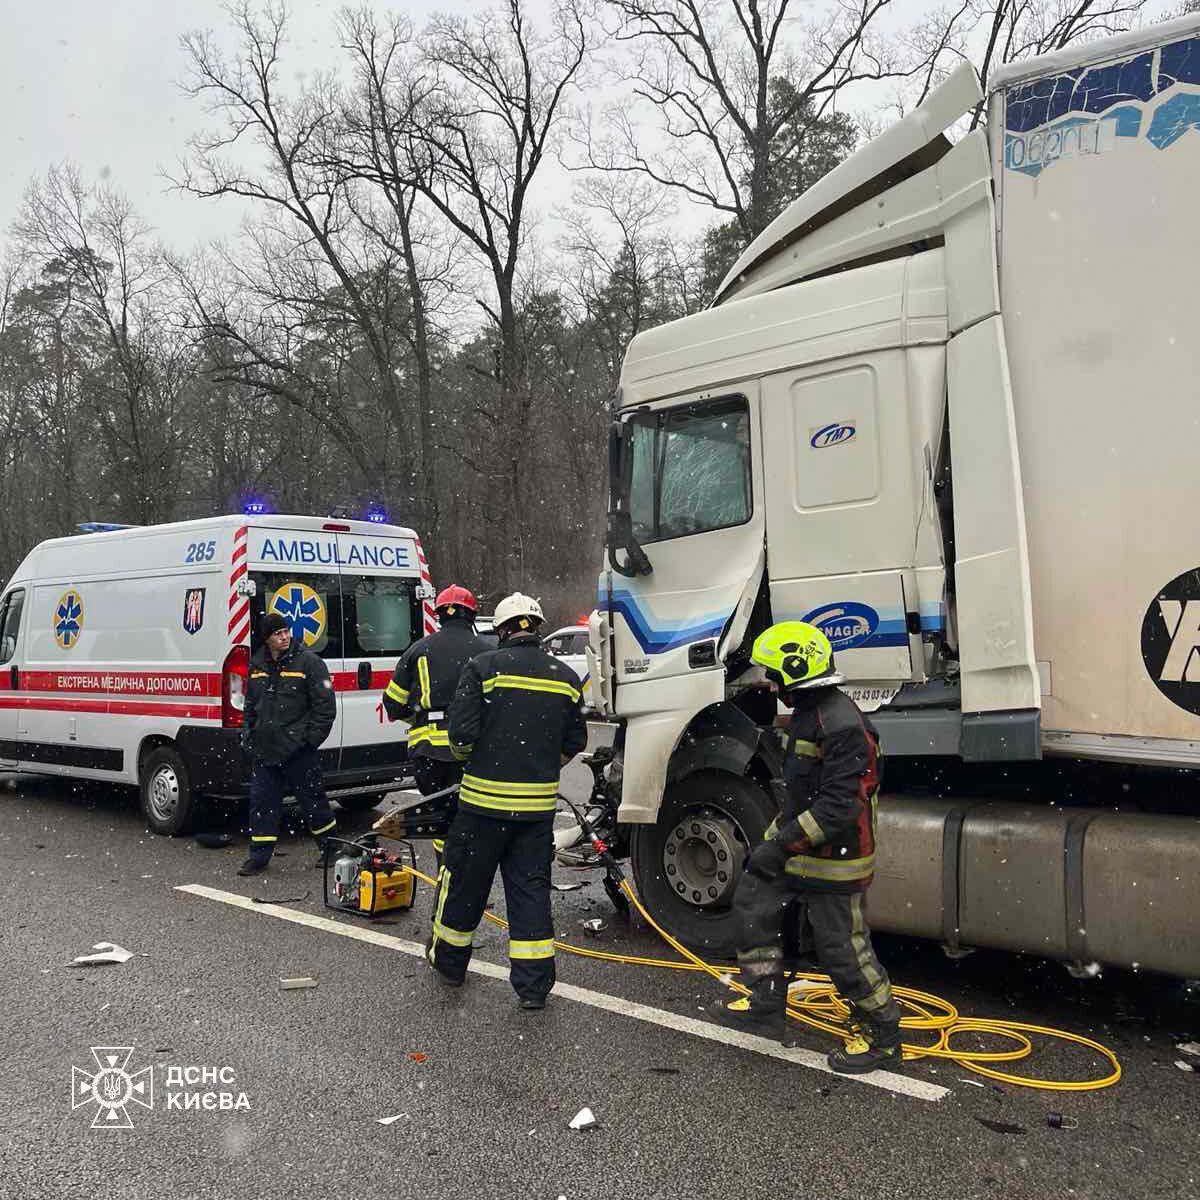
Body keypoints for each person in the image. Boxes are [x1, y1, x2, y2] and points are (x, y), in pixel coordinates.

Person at [716, 620, 903, 1073]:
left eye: (773, 674)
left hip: (835, 859)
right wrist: (770, 847)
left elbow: (838, 807)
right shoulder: (808, 715)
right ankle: (766, 1001)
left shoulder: (842, 725)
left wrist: (779, 847)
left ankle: (882, 1034)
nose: (769, 682)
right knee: (755, 910)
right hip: (799, 850)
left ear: (794, 673)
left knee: (841, 946)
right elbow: (798, 794)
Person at [427, 592, 587, 1009]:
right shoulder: (565, 676)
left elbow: (460, 736)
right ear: (536, 626)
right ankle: (533, 989)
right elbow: (576, 741)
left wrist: (479, 761)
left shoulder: (484, 668)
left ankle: (450, 965)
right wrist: (538, 766)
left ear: (501, 630)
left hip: (482, 809)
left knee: (465, 887)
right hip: (536, 813)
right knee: (530, 895)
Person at [382, 585, 491, 864]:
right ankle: (467, 882)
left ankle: (447, 878)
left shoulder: (418, 650)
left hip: (428, 755)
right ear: (471, 615)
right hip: (471, 754)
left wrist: (418, 716)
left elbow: (392, 704)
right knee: (470, 818)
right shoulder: (487, 653)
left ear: (440, 615)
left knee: (442, 821)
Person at [238, 612, 338, 877]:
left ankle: (331, 850)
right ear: (267, 639)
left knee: (313, 802)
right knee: (261, 805)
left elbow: (325, 708)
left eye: (286, 632)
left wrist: (308, 742)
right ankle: (258, 857)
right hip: (265, 751)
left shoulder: (310, 663)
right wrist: (248, 736)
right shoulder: (257, 665)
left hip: (298, 751)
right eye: (277, 634)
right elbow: (250, 707)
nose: (284, 637)